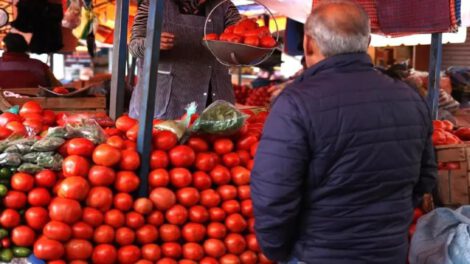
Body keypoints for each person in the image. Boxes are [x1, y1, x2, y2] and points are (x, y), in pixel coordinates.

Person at [250, 1, 437, 263]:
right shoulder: (409, 97)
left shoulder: (295, 103)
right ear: (367, 40)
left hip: (317, 254)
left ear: (309, 44)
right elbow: (425, 178)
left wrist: (278, 251)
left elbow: (273, 194)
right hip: (389, 252)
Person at [129, 0, 240, 119]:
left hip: (213, 100)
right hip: (163, 100)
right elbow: (134, 47)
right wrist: (150, 43)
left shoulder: (225, 7)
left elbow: (244, 38)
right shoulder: (152, 4)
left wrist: (242, 52)